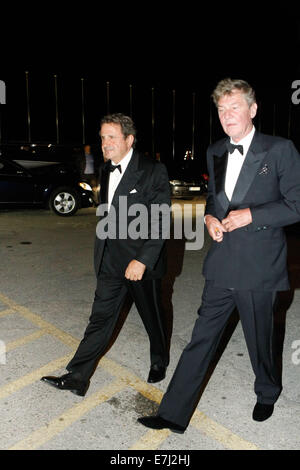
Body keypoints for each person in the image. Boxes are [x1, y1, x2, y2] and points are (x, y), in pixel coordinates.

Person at [138, 78, 300, 434]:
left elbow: (295, 205)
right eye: (222, 110)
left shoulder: (279, 149)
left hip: (260, 267)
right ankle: (172, 413)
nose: (228, 116)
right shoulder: (215, 151)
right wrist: (211, 217)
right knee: (201, 338)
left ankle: (268, 391)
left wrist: (252, 215)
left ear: (252, 110)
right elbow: (215, 198)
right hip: (223, 262)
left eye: (235, 108)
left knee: (260, 340)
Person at [41, 113, 171, 396]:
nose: (105, 143)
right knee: (100, 318)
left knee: (152, 316)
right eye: (102, 137)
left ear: (129, 139)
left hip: (140, 261)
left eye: (112, 137)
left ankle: (159, 359)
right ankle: (78, 376)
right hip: (111, 259)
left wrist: (143, 260)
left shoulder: (152, 170)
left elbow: (161, 219)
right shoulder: (104, 169)